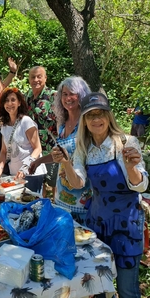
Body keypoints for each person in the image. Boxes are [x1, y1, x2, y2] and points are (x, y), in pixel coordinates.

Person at [52, 92, 148, 298]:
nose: (96, 119)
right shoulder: (84, 148)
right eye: (90, 115)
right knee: (97, 287)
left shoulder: (126, 142)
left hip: (126, 226)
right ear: (84, 120)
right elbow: (77, 182)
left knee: (127, 290)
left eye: (101, 113)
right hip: (97, 223)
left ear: (109, 116)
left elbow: (141, 186)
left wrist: (132, 167)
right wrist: (65, 162)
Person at [29, 76, 92, 223]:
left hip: (82, 193)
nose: (68, 98)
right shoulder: (62, 123)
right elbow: (61, 155)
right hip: (62, 193)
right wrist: (39, 161)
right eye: (64, 94)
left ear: (81, 95)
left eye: (72, 93)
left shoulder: (88, 122)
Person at [0, 88, 46, 193]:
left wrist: (25, 167)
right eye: (6, 101)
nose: (9, 103)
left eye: (13, 100)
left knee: (31, 205)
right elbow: (3, 151)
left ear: (19, 102)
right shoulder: (5, 126)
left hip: (31, 173)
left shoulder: (26, 121)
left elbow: (38, 149)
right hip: (14, 174)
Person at [25, 66, 58, 197]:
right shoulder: (26, 97)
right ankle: (40, 205)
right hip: (33, 148)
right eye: (33, 77)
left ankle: (55, 208)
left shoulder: (54, 96)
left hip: (51, 147)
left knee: (54, 183)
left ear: (45, 78)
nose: (36, 80)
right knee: (38, 181)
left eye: (39, 76)